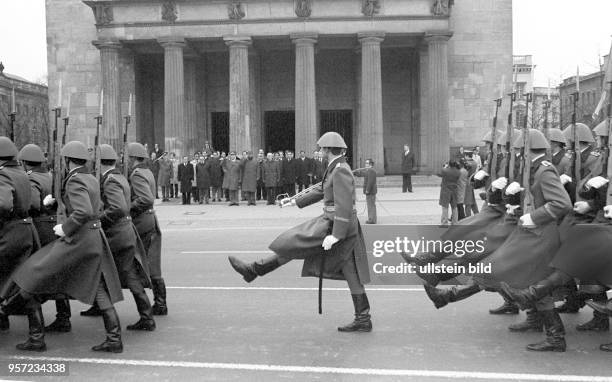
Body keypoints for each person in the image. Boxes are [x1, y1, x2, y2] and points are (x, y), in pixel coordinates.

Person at [228, 132, 372, 332]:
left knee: (296, 242)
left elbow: (345, 205)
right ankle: (363, 318)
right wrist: (294, 201)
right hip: (334, 222)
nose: (320, 152)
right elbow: (321, 190)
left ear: (329, 150)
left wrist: (336, 235)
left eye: (322, 149)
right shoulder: (334, 168)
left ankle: (254, 269)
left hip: (337, 225)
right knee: (350, 271)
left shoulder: (340, 170)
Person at [4, 140, 124, 352]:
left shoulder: (75, 181)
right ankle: (114, 339)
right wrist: (57, 202)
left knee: (33, 272)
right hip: (93, 237)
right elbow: (93, 205)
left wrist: (66, 228)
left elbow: (83, 211)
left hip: (78, 239)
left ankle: (27, 328)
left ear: (67, 161)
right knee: (99, 289)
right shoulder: (90, 178)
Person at [90, 144, 155, 331]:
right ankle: (147, 316)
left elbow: (118, 207)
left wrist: (100, 219)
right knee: (130, 274)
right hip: (125, 231)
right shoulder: (119, 177)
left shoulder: (110, 180)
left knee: (102, 272)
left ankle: (112, 329)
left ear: (99, 163)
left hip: (116, 233)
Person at [18, 144, 71, 333]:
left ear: (25, 162)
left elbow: (32, 204)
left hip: (40, 227)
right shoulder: (49, 176)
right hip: (54, 225)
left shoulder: (31, 178)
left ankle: (35, 325)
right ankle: (63, 315)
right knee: (57, 272)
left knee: (34, 275)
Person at [0, 137, 41, 342]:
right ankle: (36, 336)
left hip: (9, 232)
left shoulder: (3, 175)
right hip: (26, 231)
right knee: (24, 281)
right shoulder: (22, 174)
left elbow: (4, 205)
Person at [126, 142, 167, 316]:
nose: (127, 161)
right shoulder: (147, 171)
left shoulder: (136, 174)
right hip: (150, 220)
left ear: (133, 158)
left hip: (142, 221)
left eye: (128, 158)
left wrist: (127, 207)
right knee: (153, 264)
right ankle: (160, 303)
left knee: (136, 263)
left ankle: (152, 306)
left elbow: (145, 198)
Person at [354, 158, 377, 224]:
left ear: (371, 164)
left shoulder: (371, 171)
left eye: (367, 163)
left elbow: (370, 182)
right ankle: (372, 219)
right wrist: (356, 172)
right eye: (365, 163)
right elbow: (363, 175)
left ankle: (371, 219)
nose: (365, 164)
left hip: (371, 192)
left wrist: (367, 190)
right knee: (371, 205)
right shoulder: (368, 171)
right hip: (370, 192)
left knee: (371, 206)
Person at [437, 161, 460, 226]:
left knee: (445, 207)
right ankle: (455, 223)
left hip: (446, 191)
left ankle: (444, 223)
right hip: (454, 190)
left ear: (449, 164)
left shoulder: (445, 171)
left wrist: (444, 167)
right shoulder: (458, 171)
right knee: (454, 207)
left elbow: (438, 174)